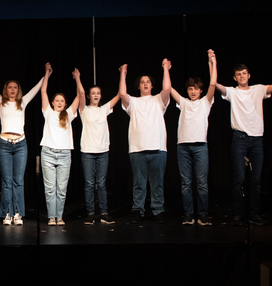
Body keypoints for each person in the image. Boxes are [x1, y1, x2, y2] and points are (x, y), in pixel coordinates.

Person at [216, 56, 272, 225]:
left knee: (256, 179)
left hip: (257, 139)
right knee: (239, 178)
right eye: (238, 74)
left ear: (249, 75)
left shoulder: (258, 89)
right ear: (235, 77)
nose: (242, 76)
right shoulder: (232, 92)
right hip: (240, 138)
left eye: (244, 73)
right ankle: (238, 213)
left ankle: (254, 213)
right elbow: (214, 85)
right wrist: (213, 63)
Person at [0, 58, 44, 225]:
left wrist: (46, 74)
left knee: (18, 181)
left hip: (20, 145)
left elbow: (36, 89)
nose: (12, 89)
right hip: (4, 144)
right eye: (10, 87)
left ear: (18, 90)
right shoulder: (0, 101)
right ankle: (7, 213)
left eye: (15, 87)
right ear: (6, 89)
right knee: (7, 181)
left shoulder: (23, 102)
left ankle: (17, 213)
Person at [166, 50, 217, 226]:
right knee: (186, 183)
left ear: (200, 90)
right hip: (183, 147)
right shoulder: (183, 102)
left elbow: (213, 83)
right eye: (190, 88)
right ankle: (188, 214)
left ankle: (202, 214)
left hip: (201, 146)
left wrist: (212, 63)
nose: (192, 91)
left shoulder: (205, 103)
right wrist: (166, 69)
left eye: (195, 88)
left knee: (202, 183)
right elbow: (168, 89)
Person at [119, 63, 171, 222]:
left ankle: (158, 210)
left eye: (148, 81)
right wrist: (123, 74)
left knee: (157, 183)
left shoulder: (158, 100)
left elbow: (167, 89)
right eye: (142, 82)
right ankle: (138, 209)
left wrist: (165, 69)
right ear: (139, 86)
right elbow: (122, 93)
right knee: (139, 183)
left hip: (158, 148)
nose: (145, 84)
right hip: (137, 148)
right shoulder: (133, 102)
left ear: (152, 85)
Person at [75, 67, 120, 225]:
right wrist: (78, 78)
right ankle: (90, 213)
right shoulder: (84, 110)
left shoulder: (104, 109)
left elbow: (119, 95)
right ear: (89, 95)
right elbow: (80, 94)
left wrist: (122, 74)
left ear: (100, 96)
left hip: (102, 152)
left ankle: (104, 212)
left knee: (101, 183)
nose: (95, 95)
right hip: (87, 151)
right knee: (88, 184)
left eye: (98, 93)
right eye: (93, 93)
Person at [40, 63, 80, 225]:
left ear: (65, 103)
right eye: (56, 100)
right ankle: (52, 217)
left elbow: (80, 95)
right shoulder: (48, 112)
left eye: (62, 100)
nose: (59, 102)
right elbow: (43, 91)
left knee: (61, 189)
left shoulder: (69, 114)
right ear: (52, 102)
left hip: (64, 155)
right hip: (48, 153)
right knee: (50, 189)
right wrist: (47, 73)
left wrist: (77, 78)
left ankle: (59, 216)